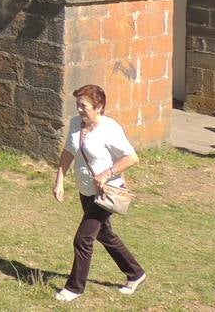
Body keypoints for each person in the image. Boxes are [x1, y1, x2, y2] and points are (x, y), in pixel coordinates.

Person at [52, 84, 147, 303]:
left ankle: (75, 287)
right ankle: (136, 273)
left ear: (99, 107)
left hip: (106, 193)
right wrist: (60, 181)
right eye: (77, 104)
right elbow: (68, 153)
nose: (79, 110)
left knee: (83, 239)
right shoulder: (76, 124)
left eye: (84, 105)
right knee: (104, 234)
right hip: (85, 190)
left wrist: (107, 173)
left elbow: (131, 157)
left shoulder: (110, 128)